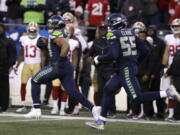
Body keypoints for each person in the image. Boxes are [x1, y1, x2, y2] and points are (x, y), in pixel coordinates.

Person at [85, 13, 180, 130]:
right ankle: (101, 121)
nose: (108, 25)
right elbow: (145, 50)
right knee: (108, 89)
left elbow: (113, 55)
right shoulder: (131, 32)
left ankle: (167, 92)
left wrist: (98, 58)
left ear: (116, 24)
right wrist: (134, 61)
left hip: (125, 69)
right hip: (125, 68)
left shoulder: (113, 34)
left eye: (110, 23)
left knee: (136, 98)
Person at [24, 15, 100, 118]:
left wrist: (58, 61)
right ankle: (93, 108)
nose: (50, 25)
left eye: (52, 23)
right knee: (72, 92)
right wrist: (47, 43)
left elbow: (65, 45)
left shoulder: (56, 33)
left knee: (35, 80)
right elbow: (58, 44)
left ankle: (36, 109)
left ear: (56, 24)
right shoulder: (63, 32)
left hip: (58, 65)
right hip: (66, 66)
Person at [14, 22, 42, 112]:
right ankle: (23, 104)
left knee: (36, 85)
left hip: (37, 64)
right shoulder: (24, 39)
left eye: (34, 31)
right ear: (27, 30)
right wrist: (17, 65)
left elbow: (43, 54)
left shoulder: (41, 39)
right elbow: (22, 54)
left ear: (37, 31)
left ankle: (36, 104)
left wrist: (44, 65)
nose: (32, 33)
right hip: (26, 63)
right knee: (23, 84)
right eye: (31, 31)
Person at [161, 18, 180, 121]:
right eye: (175, 26)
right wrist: (164, 67)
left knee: (177, 91)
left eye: (178, 26)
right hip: (170, 68)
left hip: (178, 67)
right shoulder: (168, 37)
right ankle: (171, 112)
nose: (177, 28)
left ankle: (175, 114)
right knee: (170, 91)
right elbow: (166, 53)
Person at [0, 23, 17, 112]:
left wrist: (10, 66)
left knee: (4, 87)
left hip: (4, 67)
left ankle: (3, 106)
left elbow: (13, 55)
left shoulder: (9, 41)